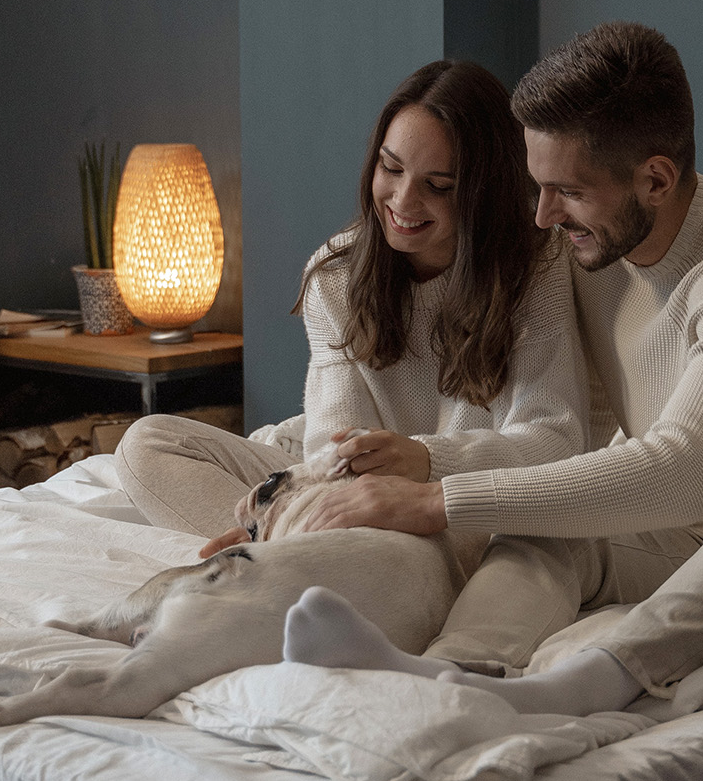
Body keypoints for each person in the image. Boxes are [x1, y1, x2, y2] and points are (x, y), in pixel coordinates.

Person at [282, 21, 703, 715]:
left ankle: (591, 679)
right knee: (545, 517)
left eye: (565, 191)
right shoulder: (588, 243)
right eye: (536, 186)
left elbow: (682, 473)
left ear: (654, 178)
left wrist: (434, 497)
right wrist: (295, 485)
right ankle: (452, 673)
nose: (541, 215)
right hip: (678, 534)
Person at [114, 59, 589, 580]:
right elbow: (330, 445)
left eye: (439, 185)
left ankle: (281, 565)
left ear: (484, 193)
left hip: (453, 503)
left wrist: (424, 462)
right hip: (349, 498)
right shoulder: (336, 274)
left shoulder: (536, 267)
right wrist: (307, 511)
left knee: (448, 546)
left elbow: (554, 444)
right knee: (148, 444)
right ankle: (286, 558)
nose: (403, 201)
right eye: (391, 168)